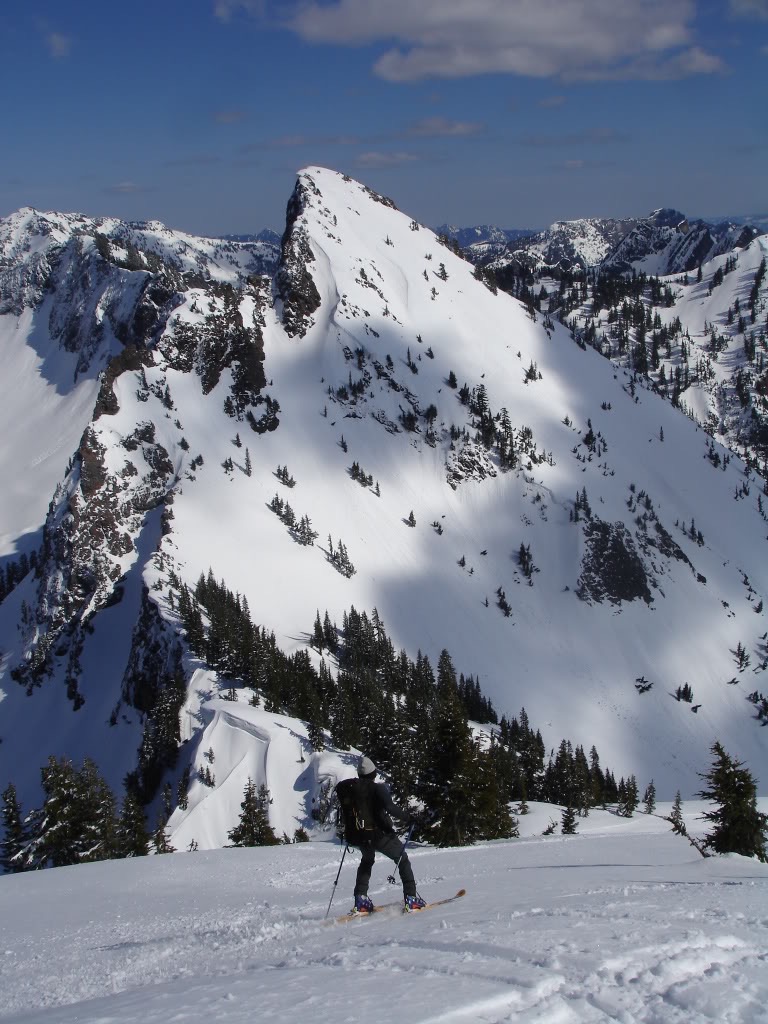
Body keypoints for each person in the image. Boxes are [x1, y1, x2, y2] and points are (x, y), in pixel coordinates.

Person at [348, 755, 425, 913]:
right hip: (379, 835)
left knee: (367, 860)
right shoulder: (377, 789)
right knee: (402, 860)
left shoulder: (352, 789)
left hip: (360, 836)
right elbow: (390, 808)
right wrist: (409, 818)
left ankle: (361, 900)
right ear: (373, 773)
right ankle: (411, 899)